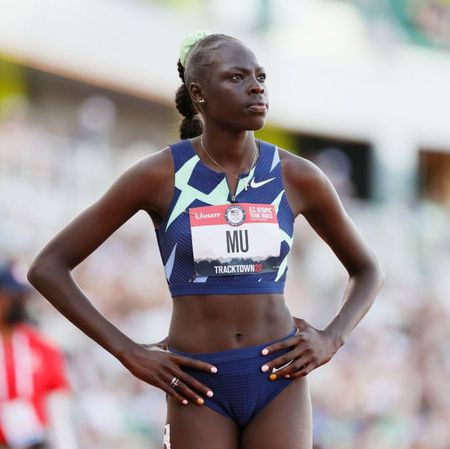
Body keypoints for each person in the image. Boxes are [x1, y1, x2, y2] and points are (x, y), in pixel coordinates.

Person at [27, 32, 384, 449]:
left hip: (278, 378)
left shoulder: (295, 175)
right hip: (197, 383)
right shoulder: (160, 174)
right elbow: (48, 268)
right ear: (200, 94)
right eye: (237, 77)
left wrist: (331, 338)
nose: (257, 87)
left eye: (261, 76)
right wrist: (128, 352)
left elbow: (368, 269)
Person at [0, 262, 75, 449]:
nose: (20, 302)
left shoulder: (44, 347)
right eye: (12, 296)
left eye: (22, 296)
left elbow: (59, 415)